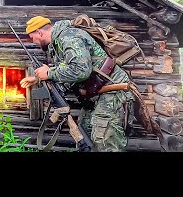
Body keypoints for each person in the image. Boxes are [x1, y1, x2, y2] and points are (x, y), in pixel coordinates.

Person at [20, 15, 135, 152]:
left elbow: (81, 70)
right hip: (95, 95)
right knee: (84, 135)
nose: (35, 42)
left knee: (104, 142)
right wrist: (39, 78)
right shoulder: (58, 43)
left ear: (39, 32)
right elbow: (67, 71)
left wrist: (50, 73)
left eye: (33, 38)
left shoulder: (69, 37)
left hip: (112, 93)